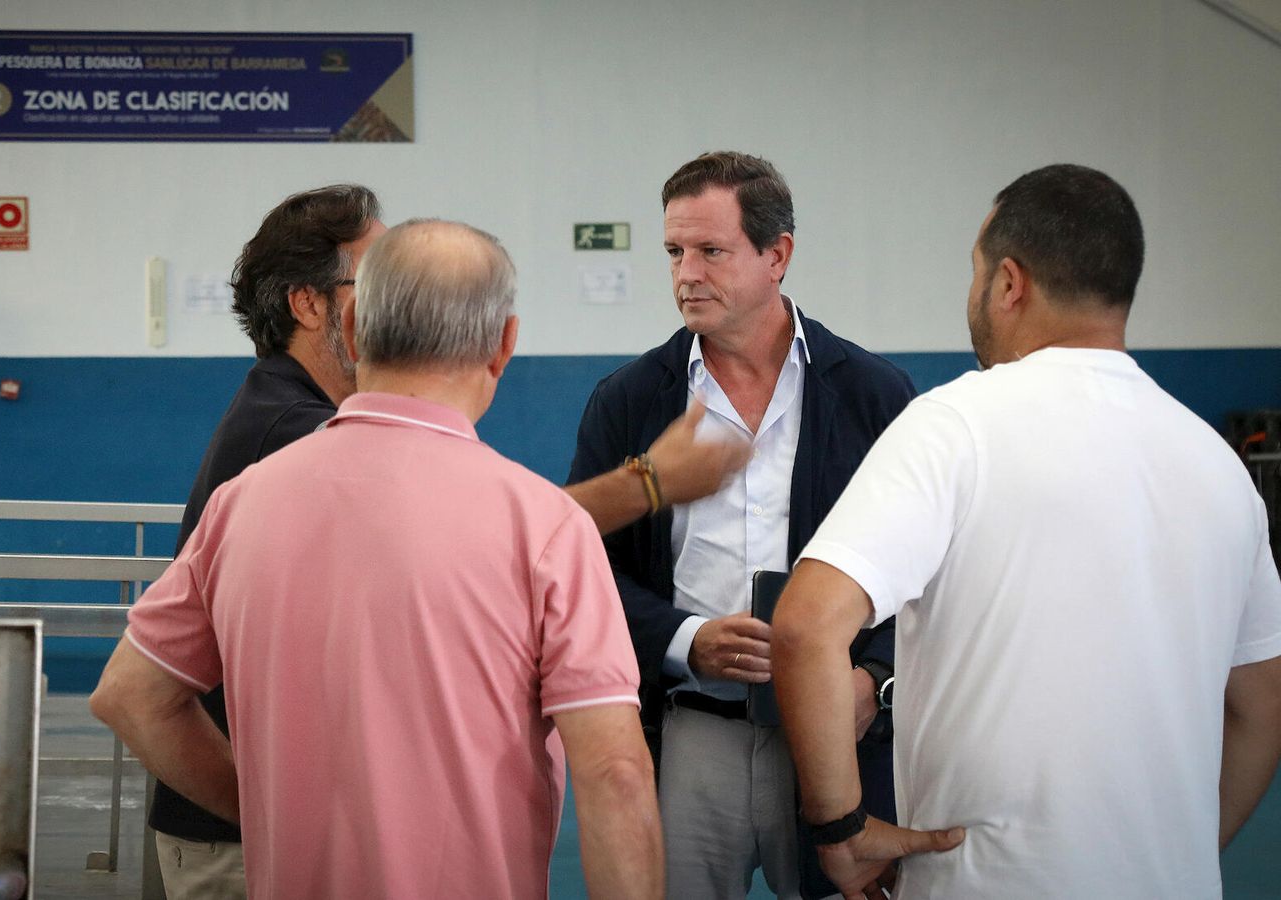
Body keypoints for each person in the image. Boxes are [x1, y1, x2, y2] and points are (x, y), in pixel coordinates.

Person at [92, 219, 665, 899]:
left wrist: (264, 813)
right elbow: (614, 771)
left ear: (356, 325)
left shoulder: (242, 503)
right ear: (505, 343)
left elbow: (130, 694)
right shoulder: (546, 525)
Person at [773, 163, 1281, 900]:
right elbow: (1263, 699)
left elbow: (805, 626)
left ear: (1009, 283)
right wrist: (1186, 852)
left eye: (976, 272)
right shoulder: (1217, 463)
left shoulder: (955, 427)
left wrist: (841, 831)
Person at [568, 151, 916, 899]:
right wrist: (686, 640)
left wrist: (875, 678)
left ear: (777, 255)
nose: (686, 273)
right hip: (692, 731)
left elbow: (923, 571)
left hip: (835, 732)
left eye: (710, 250)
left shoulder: (874, 396)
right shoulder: (629, 401)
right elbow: (582, 570)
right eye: (673, 251)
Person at [147, 183, 385, 899]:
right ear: (308, 304)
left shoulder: (284, 408)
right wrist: (647, 484)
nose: (399, 304)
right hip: (243, 844)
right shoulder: (297, 430)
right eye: (376, 282)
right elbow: (474, 528)